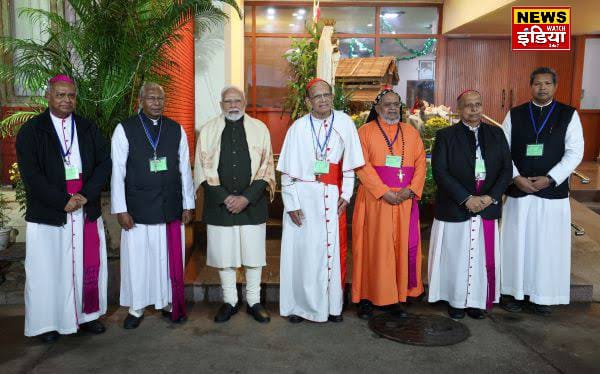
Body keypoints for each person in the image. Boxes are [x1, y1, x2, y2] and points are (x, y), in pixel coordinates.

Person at [17, 75, 111, 342]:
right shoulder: (32, 131)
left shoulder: (87, 127)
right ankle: (48, 323)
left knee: (87, 267)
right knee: (48, 271)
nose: (66, 100)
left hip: (84, 209)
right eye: (60, 95)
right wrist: (62, 200)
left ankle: (87, 316)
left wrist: (85, 194)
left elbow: (105, 163)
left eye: (70, 95)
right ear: (48, 96)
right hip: (50, 214)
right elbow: (31, 175)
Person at [277, 78, 364, 323]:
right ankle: (300, 307)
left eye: (327, 94)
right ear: (308, 101)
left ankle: (332, 306)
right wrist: (290, 203)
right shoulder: (298, 127)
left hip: (332, 196)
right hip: (303, 199)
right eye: (317, 96)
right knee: (303, 254)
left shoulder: (345, 123)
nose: (323, 100)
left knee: (331, 252)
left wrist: (346, 195)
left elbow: (350, 167)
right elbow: (287, 172)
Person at [500, 67, 584, 315]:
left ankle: (542, 296)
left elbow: (575, 152)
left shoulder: (568, 114)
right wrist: (516, 177)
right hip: (519, 192)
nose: (543, 88)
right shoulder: (514, 114)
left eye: (547, 83)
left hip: (551, 194)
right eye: (538, 83)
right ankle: (514, 293)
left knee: (546, 247)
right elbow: (503, 150)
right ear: (531, 86)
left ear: (555, 87)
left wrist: (550, 178)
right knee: (516, 244)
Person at [111, 82, 195, 328]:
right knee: (138, 260)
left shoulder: (175, 129)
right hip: (137, 209)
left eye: (160, 98)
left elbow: (184, 170)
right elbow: (118, 171)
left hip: (169, 206)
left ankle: (167, 302)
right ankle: (136, 308)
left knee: (166, 260)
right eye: (151, 98)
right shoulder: (124, 129)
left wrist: (188, 204)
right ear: (141, 100)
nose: (156, 102)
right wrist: (121, 209)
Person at [194, 86, 276, 323]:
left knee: (253, 255)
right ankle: (229, 300)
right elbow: (203, 167)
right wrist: (224, 198)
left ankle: (253, 300)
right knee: (224, 256)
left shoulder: (260, 129)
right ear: (221, 105)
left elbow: (266, 166)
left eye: (237, 100)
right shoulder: (209, 130)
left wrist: (247, 198)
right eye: (227, 101)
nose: (232, 105)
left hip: (252, 203)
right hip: (220, 206)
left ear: (244, 102)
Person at [428, 90, 512, 319]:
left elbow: (506, 170)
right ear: (459, 109)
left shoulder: (496, 134)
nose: (474, 109)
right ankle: (455, 301)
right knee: (455, 256)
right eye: (468, 105)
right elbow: (440, 172)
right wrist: (467, 198)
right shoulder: (446, 135)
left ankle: (476, 301)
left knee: (481, 257)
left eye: (478, 104)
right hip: (456, 207)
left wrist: (489, 197)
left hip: (486, 206)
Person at [351, 89, 426, 319]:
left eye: (396, 104)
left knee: (399, 249)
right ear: (377, 108)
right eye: (387, 105)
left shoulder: (411, 133)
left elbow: (421, 163)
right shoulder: (364, 132)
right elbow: (360, 165)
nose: (392, 108)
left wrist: (411, 190)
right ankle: (366, 297)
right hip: (375, 202)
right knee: (372, 249)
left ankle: (394, 298)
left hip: (404, 201)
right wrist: (383, 192)